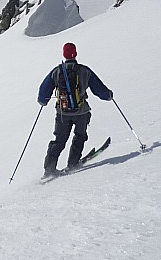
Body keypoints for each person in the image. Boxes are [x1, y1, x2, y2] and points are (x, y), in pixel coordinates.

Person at [37, 42, 113, 178]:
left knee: (59, 140)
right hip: (81, 112)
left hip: (62, 113)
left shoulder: (57, 71)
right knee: (79, 136)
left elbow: (44, 89)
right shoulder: (84, 71)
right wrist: (108, 95)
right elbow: (98, 88)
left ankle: (49, 169)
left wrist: (43, 100)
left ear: (64, 55)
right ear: (75, 54)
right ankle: (73, 163)